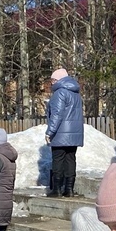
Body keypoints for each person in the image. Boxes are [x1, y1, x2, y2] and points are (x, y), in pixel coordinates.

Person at [45, 67, 84, 197]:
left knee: (58, 159)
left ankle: (57, 189)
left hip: (61, 133)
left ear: (57, 80)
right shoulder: (76, 93)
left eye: (52, 80)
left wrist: (50, 132)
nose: (51, 83)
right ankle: (69, 189)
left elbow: (56, 114)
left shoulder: (59, 93)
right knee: (70, 159)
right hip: (74, 133)